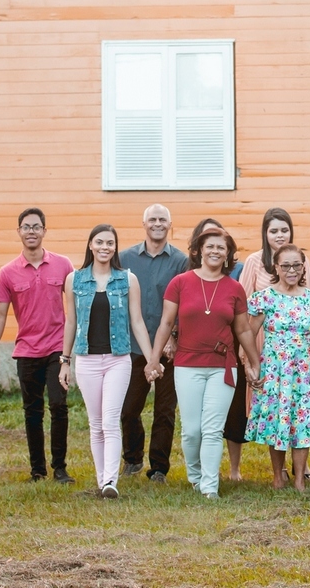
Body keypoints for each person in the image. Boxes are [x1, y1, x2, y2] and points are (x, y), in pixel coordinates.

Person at [144, 227, 261, 499]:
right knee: (192, 430)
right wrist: (153, 359)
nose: (215, 251)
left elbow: (243, 330)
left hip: (223, 366)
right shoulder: (180, 283)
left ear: (228, 254)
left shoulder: (234, 288)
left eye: (221, 247)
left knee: (212, 428)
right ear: (198, 250)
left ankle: (209, 487)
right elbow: (165, 323)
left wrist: (253, 362)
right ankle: (195, 476)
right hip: (187, 365)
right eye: (210, 246)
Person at [58, 225, 154, 498]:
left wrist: (150, 360)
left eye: (110, 243)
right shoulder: (74, 280)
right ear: (90, 245)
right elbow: (71, 323)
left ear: (115, 247)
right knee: (95, 422)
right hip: (87, 359)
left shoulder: (127, 279)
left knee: (111, 420)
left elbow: (137, 321)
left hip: (118, 359)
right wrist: (65, 361)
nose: (104, 247)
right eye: (99, 242)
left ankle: (111, 481)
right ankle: (102, 482)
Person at [246, 244, 310, 491]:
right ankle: (278, 476)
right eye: (286, 265)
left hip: (303, 371)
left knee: (301, 421)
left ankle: (300, 478)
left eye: (297, 265)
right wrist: (250, 363)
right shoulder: (265, 298)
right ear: (276, 268)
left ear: (303, 268)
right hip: (274, 369)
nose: (292, 270)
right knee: (276, 419)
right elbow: (248, 334)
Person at [229, 208, 310, 481]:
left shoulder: (303, 261)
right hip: (265, 348)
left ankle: (302, 467)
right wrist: (246, 355)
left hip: (299, 350)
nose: (279, 235)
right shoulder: (254, 262)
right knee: (273, 408)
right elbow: (242, 307)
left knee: (298, 406)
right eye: (273, 230)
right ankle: (276, 471)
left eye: (284, 230)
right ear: (265, 234)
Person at [0, 208, 75, 483]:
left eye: (36, 227)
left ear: (44, 231)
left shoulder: (64, 265)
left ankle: (60, 468)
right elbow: (1, 314)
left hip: (56, 349)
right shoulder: (7, 273)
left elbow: (75, 308)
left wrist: (72, 350)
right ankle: (37, 470)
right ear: (19, 232)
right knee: (33, 411)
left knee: (59, 406)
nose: (31, 231)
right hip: (26, 351)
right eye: (26, 227)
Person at [119, 204, 189, 483]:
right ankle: (132, 459)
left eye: (162, 220)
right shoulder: (124, 258)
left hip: (170, 350)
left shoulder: (181, 261)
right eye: (152, 219)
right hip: (134, 347)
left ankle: (158, 467)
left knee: (164, 410)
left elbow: (185, 303)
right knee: (128, 408)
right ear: (143, 224)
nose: (157, 224)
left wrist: (174, 337)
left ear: (170, 225)